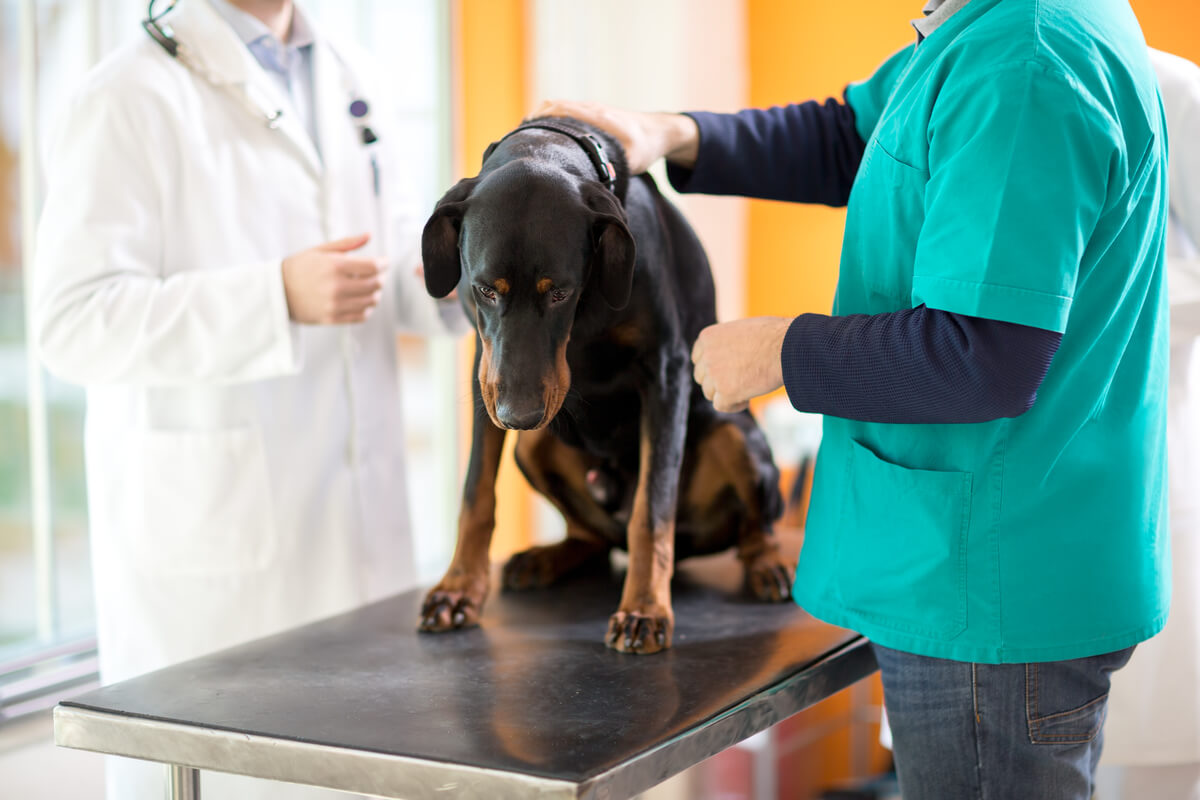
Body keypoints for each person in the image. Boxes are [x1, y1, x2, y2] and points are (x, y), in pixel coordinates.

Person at [535, 0, 1168, 797]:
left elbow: (986, 358)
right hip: (994, 558)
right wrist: (673, 132)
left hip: (991, 590)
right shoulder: (985, 29)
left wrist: (780, 350)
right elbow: (858, 137)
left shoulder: (1024, 60)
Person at [32, 1, 463, 798]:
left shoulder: (351, 72)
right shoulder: (125, 95)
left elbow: (396, 256)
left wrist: (477, 278)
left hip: (360, 541)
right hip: (218, 569)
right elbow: (70, 323)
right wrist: (272, 298)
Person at [1097, 48, 1200, 800]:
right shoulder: (954, 64)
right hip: (1007, 530)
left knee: (1156, 773)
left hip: (1157, 485)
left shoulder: (1173, 92)